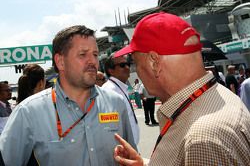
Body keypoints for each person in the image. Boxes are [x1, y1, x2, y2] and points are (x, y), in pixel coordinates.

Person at [113, 12, 250, 165]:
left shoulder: (201, 140)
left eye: (135, 63)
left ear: (154, 62)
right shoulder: (217, 94)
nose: (136, 69)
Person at [0, 25, 136, 166]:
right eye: (83, 54)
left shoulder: (116, 103)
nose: (93, 61)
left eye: (95, 54)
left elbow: (132, 159)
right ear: (60, 61)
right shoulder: (27, 112)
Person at [102, 54, 140, 146]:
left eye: (128, 64)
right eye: (122, 65)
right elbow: (108, 126)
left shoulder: (120, 87)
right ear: (111, 70)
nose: (127, 67)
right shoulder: (108, 90)